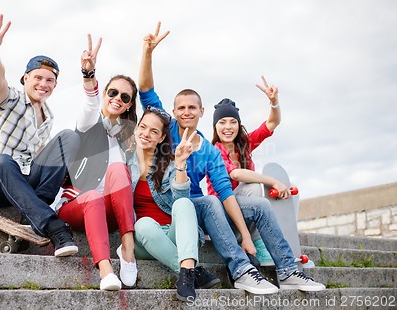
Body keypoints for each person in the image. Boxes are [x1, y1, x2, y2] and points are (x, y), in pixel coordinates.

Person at [138, 22, 326, 293]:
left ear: (202, 111)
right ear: (174, 111)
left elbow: (227, 193)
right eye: (181, 108)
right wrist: (148, 52)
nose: (186, 112)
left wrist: (246, 236)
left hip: (201, 208)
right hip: (177, 207)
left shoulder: (210, 151)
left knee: (259, 205)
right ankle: (242, 271)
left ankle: (287, 270)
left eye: (192, 107)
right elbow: (145, 90)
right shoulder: (165, 130)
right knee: (211, 200)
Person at [0, 14, 79, 257]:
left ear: (55, 85)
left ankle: (33, 211)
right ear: (26, 78)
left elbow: (40, 157)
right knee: (4, 161)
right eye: (37, 78)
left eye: (49, 81)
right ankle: (52, 225)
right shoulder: (9, 98)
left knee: (68, 137)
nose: (43, 84)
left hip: (22, 183)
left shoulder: (48, 116)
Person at [55, 34, 138, 291]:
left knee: (118, 168)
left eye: (125, 97)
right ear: (105, 93)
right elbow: (90, 103)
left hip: (113, 212)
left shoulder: (127, 141)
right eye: (113, 92)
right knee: (92, 195)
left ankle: (127, 249)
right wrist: (88, 73)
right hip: (79, 205)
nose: (117, 99)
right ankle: (105, 270)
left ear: (129, 106)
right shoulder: (89, 123)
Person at [130, 106, 220, 302]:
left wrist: (180, 164)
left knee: (185, 204)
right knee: (143, 224)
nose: (146, 134)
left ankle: (186, 275)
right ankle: (192, 271)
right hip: (144, 240)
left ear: (162, 138)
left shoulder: (169, 164)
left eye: (154, 131)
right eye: (143, 127)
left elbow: (180, 200)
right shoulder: (125, 163)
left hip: (177, 237)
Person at [207, 84, 287, 266]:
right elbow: (235, 174)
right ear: (215, 126)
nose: (228, 127)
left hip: (244, 211)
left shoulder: (244, 145)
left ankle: (258, 241)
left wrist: (274, 103)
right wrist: (273, 181)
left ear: (239, 124)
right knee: (253, 185)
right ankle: (257, 241)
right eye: (222, 122)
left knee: (255, 187)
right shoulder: (214, 151)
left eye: (233, 122)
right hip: (223, 213)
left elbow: (272, 124)